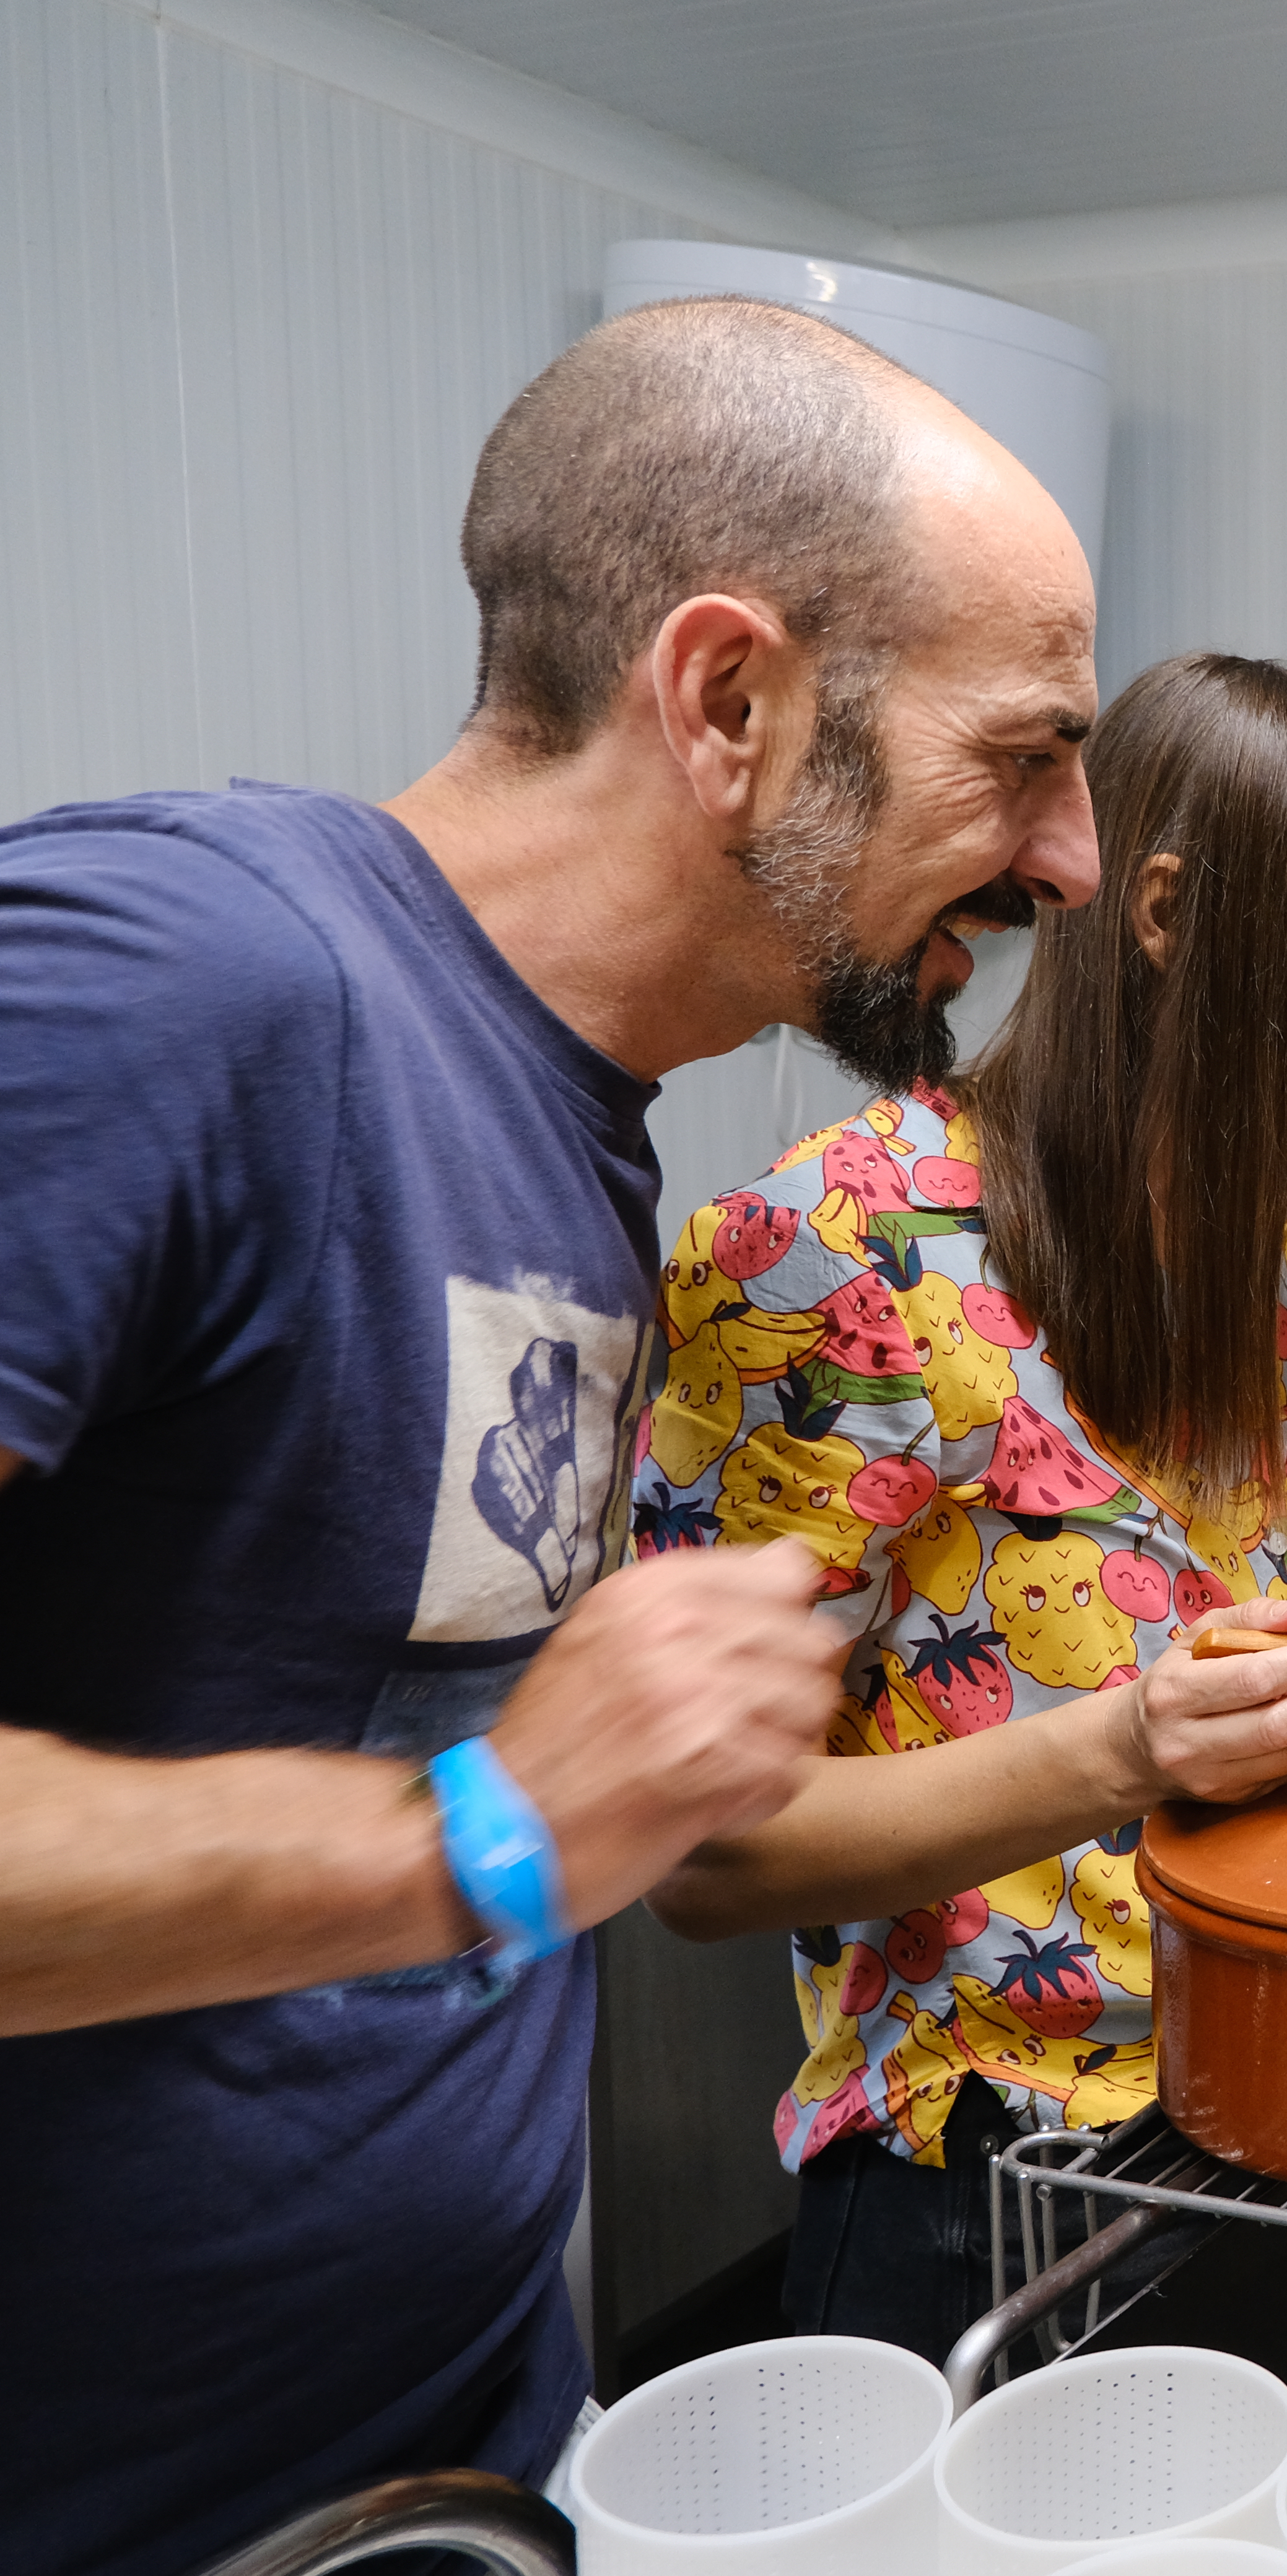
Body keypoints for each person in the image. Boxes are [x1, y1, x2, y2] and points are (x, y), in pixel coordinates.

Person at [0, 295, 1103, 2574]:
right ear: (729, 704)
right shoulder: (178, 977)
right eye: (1025, 759)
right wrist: (485, 1833)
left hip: (452, 2463)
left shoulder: (588, 1139)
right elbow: (500, 1823)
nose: (1072, 858)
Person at [636, 654, 1287, 2358]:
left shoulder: (1257, 1269)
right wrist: (1130, 1749)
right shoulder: (831, 1257)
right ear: (1165, 913)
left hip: (1263, 2129)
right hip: (978, 2200)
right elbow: (700, 1855)